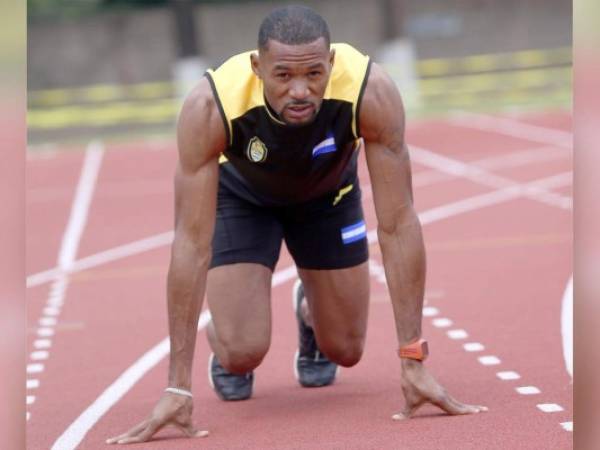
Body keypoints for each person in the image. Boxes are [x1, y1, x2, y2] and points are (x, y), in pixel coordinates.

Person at [107, 5, 487, 445]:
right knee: (241, 354)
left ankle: (311, 312)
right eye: (283, 75)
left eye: (314, 74)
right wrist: (177, 385)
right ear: (257, 67)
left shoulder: (370, 90)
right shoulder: (213, 105)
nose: (301, 90)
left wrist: (413, 359)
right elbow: (191, 244)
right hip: (243, 200)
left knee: (345, 350)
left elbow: (399, 225)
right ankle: (226, 333)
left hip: (327, 197)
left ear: (331, 64)